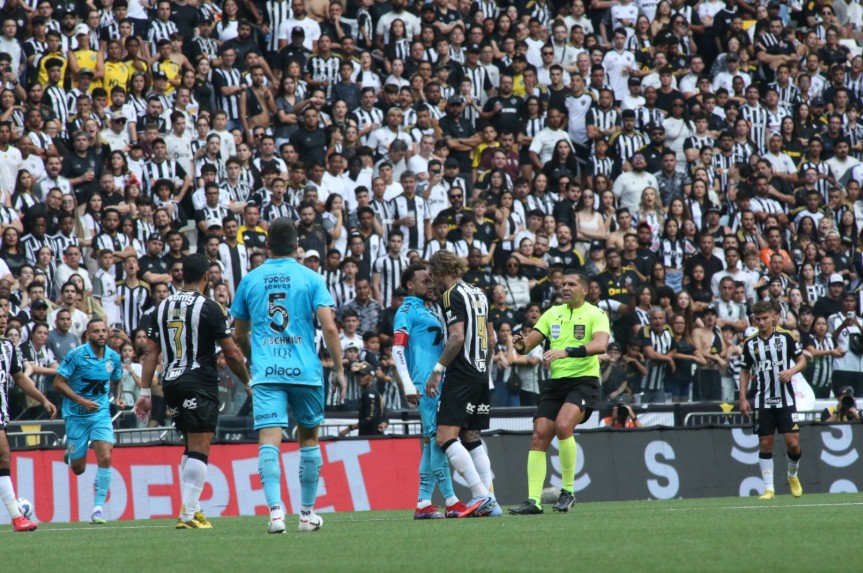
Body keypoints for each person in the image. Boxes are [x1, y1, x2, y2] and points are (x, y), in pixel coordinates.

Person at [230, 218, 346, 534]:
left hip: (267, 372)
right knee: (308, 438)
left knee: (269, 439)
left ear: (266, 246)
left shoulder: (250, 280)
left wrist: (257, 359)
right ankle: (306, 515)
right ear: (297, 246)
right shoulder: (311, 278)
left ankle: (275, 514)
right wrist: (338, 369)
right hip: (306, 372)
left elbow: (239, 335)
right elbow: (330, 327)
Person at [135, 253, 250, 529]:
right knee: (201, 445)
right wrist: (247, 381)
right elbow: (232, 353)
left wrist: (146, 393)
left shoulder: (161, 307)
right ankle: (186, 515)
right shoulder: (210, 307)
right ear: (206, 277)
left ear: (181, 275)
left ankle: (193, 508)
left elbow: (151, 352)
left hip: (170, 382)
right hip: (198, 380)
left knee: (190, 444)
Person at [508, 269, 610, 514]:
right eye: (563, 284)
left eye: (572, 284)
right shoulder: (552, 313)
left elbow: (601, 345)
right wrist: (520, 344)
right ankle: (533, 500)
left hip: (584, 381)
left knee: (564, 425)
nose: (565, 288)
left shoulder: (596, 313)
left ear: (585, 290)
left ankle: (568, 491)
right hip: (556, 383)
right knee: (539, 434)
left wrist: (566, 351)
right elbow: (527, 345)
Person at [391, 263, 476, 520]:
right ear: (410, 285)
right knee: (440, 440)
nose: (431, 286)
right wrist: (407, 383)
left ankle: (423, 503)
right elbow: (397, 349)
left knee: (431, 444)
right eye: (425, 282)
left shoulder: (433, 308)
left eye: (431, 281)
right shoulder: (405, 310)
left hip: (440, 382)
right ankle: (451, 501)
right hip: (425, 385)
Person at [424, 250, 497, 518]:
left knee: (445, 436)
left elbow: (456, 337)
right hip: (479, 372)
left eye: (432, 272)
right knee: (471, 437)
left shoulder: (450, 294)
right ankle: (493, 500)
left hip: (461, 373)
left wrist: (438, 370)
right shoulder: (479, 293)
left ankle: (480, 494)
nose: (431, 278)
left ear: (439, 270)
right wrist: (483, 370)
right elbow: (490, 338)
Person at [52, 318, 122, 525]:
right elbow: (58, 383)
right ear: (88, 335)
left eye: (104, 331)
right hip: (76, 415)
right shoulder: (76, 355)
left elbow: (116, 379)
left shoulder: (113, 357)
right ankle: (71, 454)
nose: (101, 334)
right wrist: (82, 401)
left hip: (100, 414)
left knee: (106, 456)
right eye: (96, 331)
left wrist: (116, 397)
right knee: (78, 468)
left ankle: (98, 509)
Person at [739, 300, 807, 501]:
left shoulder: (786, 338)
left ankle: (792, 475)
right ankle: (769, 489)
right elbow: (744, 371)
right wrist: (742, 398)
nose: (761, 322)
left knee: (793, 443)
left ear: (773, 317)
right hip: (762, 400)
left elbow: (802, 361)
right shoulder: (750, 343)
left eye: (765, 318)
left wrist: (792, 370)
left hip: (786, 399)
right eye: (757, 319)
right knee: (765, 444)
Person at [0, 309, 57, 532]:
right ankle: (16, 517)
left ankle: (17, 518)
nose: (3, 321)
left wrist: (42, 399)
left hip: (2, 412)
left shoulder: (7, 347)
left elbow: (19, 377)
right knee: (3, 455)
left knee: (3, 458)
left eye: (4, 317)